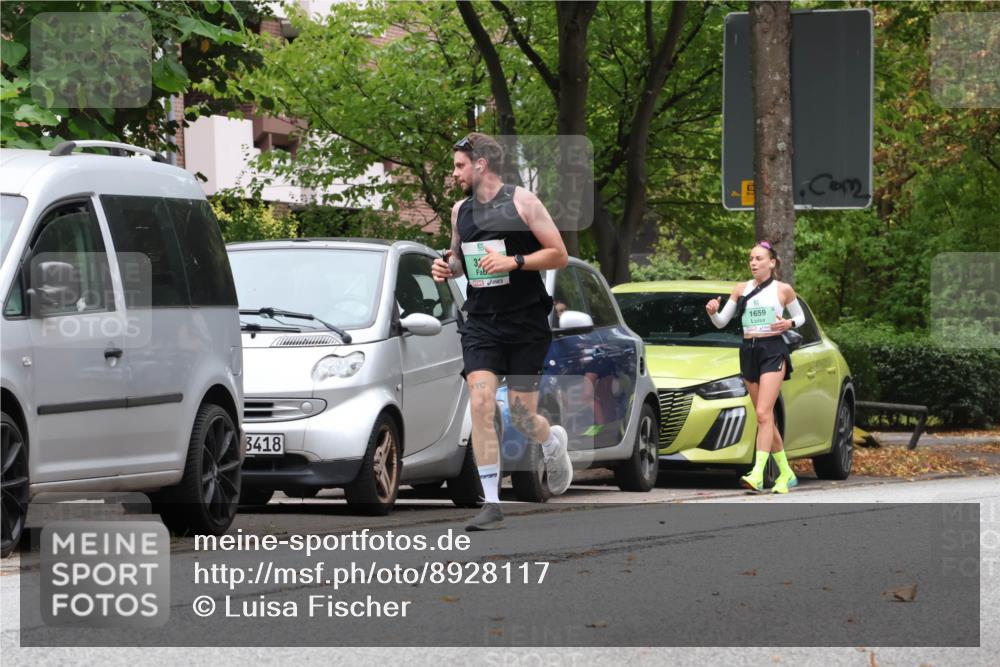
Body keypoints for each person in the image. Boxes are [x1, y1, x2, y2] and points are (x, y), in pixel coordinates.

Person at [431, 132, 573, 530]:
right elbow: (459, 259)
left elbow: (558, 254)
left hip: (526, 322)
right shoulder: (461, 211)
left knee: (524, 417)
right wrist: (447, 268)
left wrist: (515, 261)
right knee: (481, 404)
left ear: (480, 164)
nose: (454, 172)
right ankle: (492, 501)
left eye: (459, 165)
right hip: (481, 322)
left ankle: (550, 442)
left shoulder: (522, 201)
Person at [704, 240, 806, 494]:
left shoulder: (783, 290)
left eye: (759, 259)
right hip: (748, 351)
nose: (753, 263)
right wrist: (713, 312)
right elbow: (721, 322)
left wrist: (788, 324)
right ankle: (787, 473)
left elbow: (801, 317)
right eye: (751, 258)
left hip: (773, 350)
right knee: (765, 417)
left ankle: (758, 473)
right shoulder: (741, 289)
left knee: (762, 413)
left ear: (771, 263)